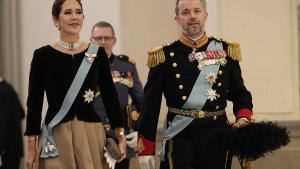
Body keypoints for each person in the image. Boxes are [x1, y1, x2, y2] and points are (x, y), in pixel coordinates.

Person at [137, 0, 253, 169]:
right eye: (185, 12)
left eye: (197, 11)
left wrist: (243, 118)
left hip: (217, 136)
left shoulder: (225, 51)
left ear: (205, 15)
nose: (192, 16)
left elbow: (241, 94)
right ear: (177, 19)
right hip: (180, 137)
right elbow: (150, 105)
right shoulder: (165, 56)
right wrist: (145, 149)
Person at [24, 0, 126, 169]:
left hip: (90, 133)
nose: (74, 17)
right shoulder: (43, 55)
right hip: (56, 135)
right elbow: (34, 103)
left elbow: (110, 96)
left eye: (78, 12)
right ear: (55, 20)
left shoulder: (97, 53)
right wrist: (31, 147)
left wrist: (120, 135)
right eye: (68, 12)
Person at [90, 21, 144, 169]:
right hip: (90, 137)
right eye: (98, 38)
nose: (103, 42)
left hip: (120, 138)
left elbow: (142, 102)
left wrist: (138, 129)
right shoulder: (82, 67)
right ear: (91, 40)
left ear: (114, 40)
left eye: (107, 38)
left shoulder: (126, 65)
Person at [0, 77, 25, 169]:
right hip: (14, 148)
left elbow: (4, 123)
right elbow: (22, 113)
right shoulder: (8, 88)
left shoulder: (2, 91)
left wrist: (1, 147)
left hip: (7, 151)